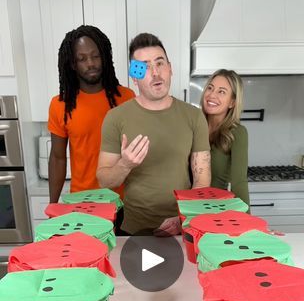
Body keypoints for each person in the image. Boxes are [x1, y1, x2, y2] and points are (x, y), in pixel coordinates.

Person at [97, 32, 211, 236]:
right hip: (134, 231)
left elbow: (202, 180)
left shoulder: (194, 116)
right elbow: (105, 181)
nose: (155, 72)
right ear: (135, 76)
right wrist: (125, 164)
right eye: (145, 67)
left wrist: (183, 219)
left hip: (181, 229)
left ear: (170, 68)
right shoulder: (115, 118)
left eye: (160, 63)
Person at [48, 25, 135, 203]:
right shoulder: (60, 105)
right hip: (82, 201)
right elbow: (57, 158)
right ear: (73, 64)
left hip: (124, 201)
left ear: (104, 57)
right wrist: (53, 204)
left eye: (95, 56)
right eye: (82, 58)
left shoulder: (127, 98)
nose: (91, 63)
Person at [201, 69, 250, 206]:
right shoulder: (194, 126)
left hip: (215, 209)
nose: (212, 95)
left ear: (232, 103)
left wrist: (246, 222)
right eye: (210, 88)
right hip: (184, 209)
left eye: (221, 91)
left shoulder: (237, 133)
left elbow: (239, 182)